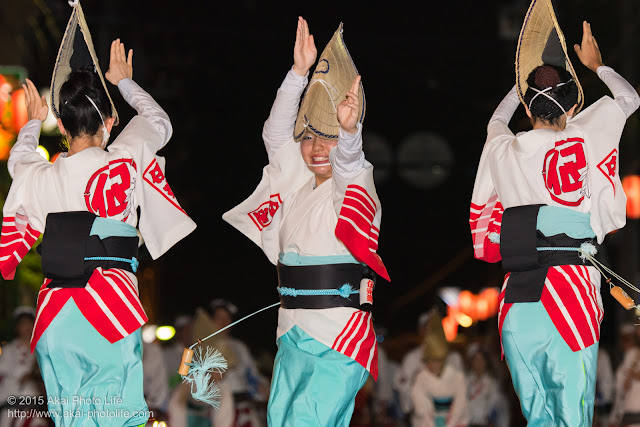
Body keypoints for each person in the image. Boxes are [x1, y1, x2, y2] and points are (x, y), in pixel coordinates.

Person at [0, 12, 195, 424]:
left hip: (55, 316)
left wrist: (32, 123)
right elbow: (160, 123)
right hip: (110, 307)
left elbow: (19, 161)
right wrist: (124, 81)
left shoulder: (41, 175)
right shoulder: (124, 158)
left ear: (64, 125)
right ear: (108, 122)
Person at [469, 15, 640, 426]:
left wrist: (517, 87)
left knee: (537, 416)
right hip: (571, 293)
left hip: (519, 299)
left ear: (528, 107)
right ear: (574, 104)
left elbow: (494, 122)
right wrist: (598, 65)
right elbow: (629, 99)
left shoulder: (502, 149)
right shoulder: (588, 130)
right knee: (572, 415)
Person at [223, 16, 389, 426]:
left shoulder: (354, 185)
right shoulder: (297, 185)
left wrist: (349, 135)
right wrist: (298, 75)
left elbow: (348, 165)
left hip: (338, 335)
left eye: (328, 137)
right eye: (310, 136)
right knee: (282, 419)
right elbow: (275, 135)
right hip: (292, 332)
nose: (317, 148)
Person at [410, 312, 468, 427]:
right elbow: (420, 408)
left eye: (436, 361)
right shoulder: (421, 378)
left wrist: (451, 422)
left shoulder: (457, 377)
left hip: (453, 422)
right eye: (429, 361)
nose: (432, 365)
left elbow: (461, 404)